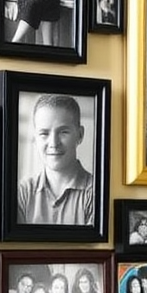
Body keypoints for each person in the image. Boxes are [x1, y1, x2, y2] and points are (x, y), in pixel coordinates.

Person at [17, 92, 94, 228]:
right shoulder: (22, 193)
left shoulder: (95, 192)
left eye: (63, 132)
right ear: (35, 137)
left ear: (80, 135)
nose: (53, 143)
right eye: (44, 133)